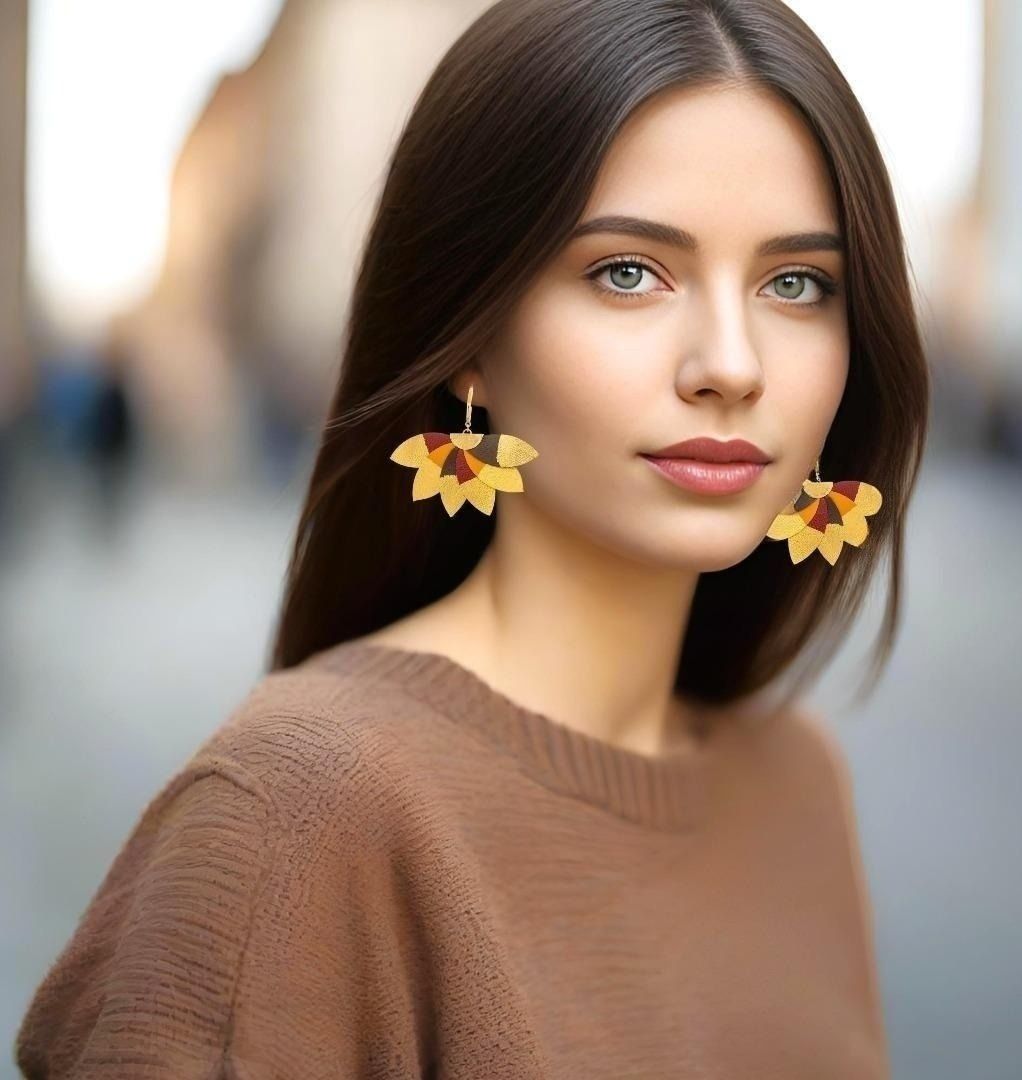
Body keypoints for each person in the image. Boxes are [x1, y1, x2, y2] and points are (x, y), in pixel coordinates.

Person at [14, 0, 929, 1076]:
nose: (732, 363)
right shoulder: (298, 813)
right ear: (471, 338)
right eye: (628, 271)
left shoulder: (796, 783)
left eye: (796, 283)